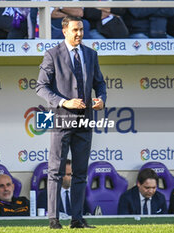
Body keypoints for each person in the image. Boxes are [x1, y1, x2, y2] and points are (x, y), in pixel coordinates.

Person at [36, 15, 107, 229]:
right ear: (64, 31)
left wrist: (101, 99)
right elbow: (41, 87)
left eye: (81, 30)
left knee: (80, 173)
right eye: (75, 30)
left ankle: (77, 219)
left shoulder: (91, 54)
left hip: (85, 122)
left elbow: (100, 83)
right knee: (56, 171)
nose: (79, 34)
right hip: (60, 121)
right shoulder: (52, 55)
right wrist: (64, 102)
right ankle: (53, 220)